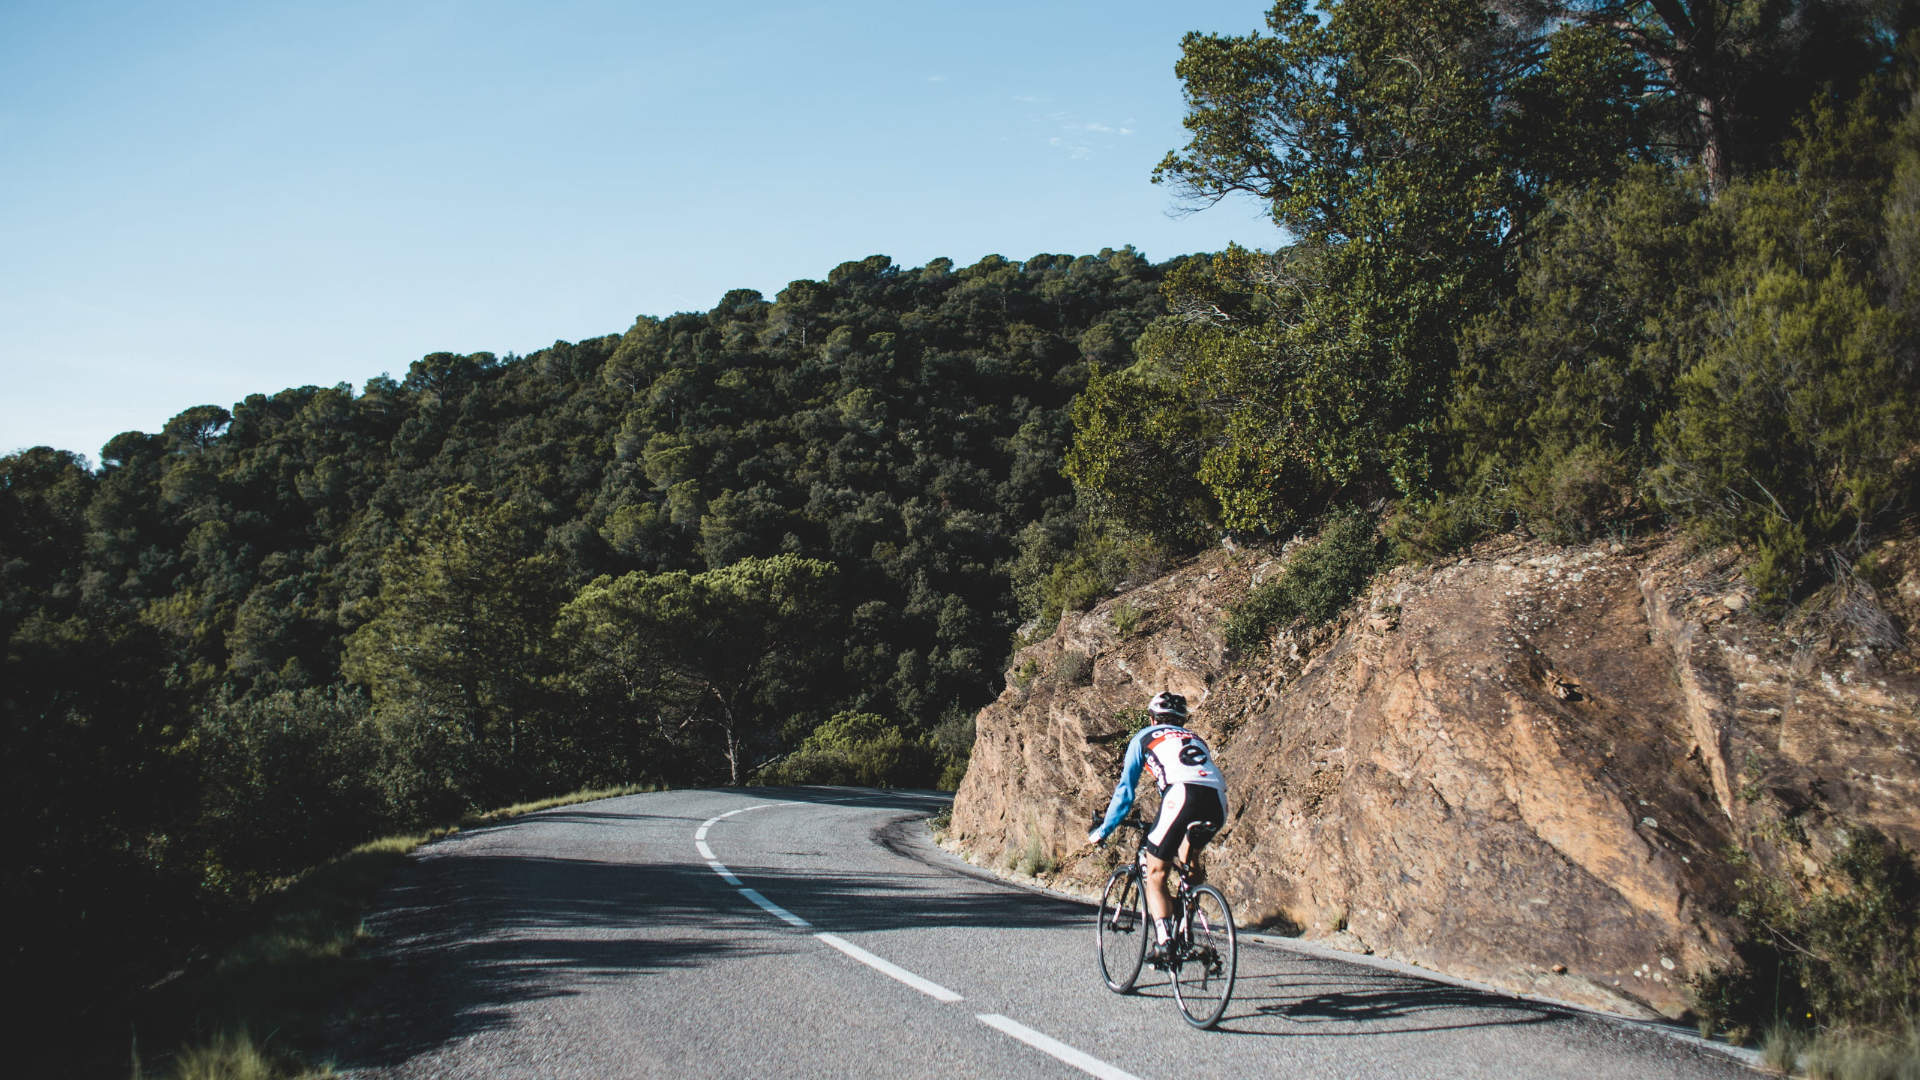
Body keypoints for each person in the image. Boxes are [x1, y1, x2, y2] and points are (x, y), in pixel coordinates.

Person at [1086, 691, 1228, 964]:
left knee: (1156, 871)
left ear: (1152, 719)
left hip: (1181, 796)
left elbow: (1125, 792)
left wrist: (1103, 829)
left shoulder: (1144, 737)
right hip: (1218, 801)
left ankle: (1164, 941)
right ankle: (1186, 924)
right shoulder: (1197, 739)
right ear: (1182, 721)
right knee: (1190, 856)